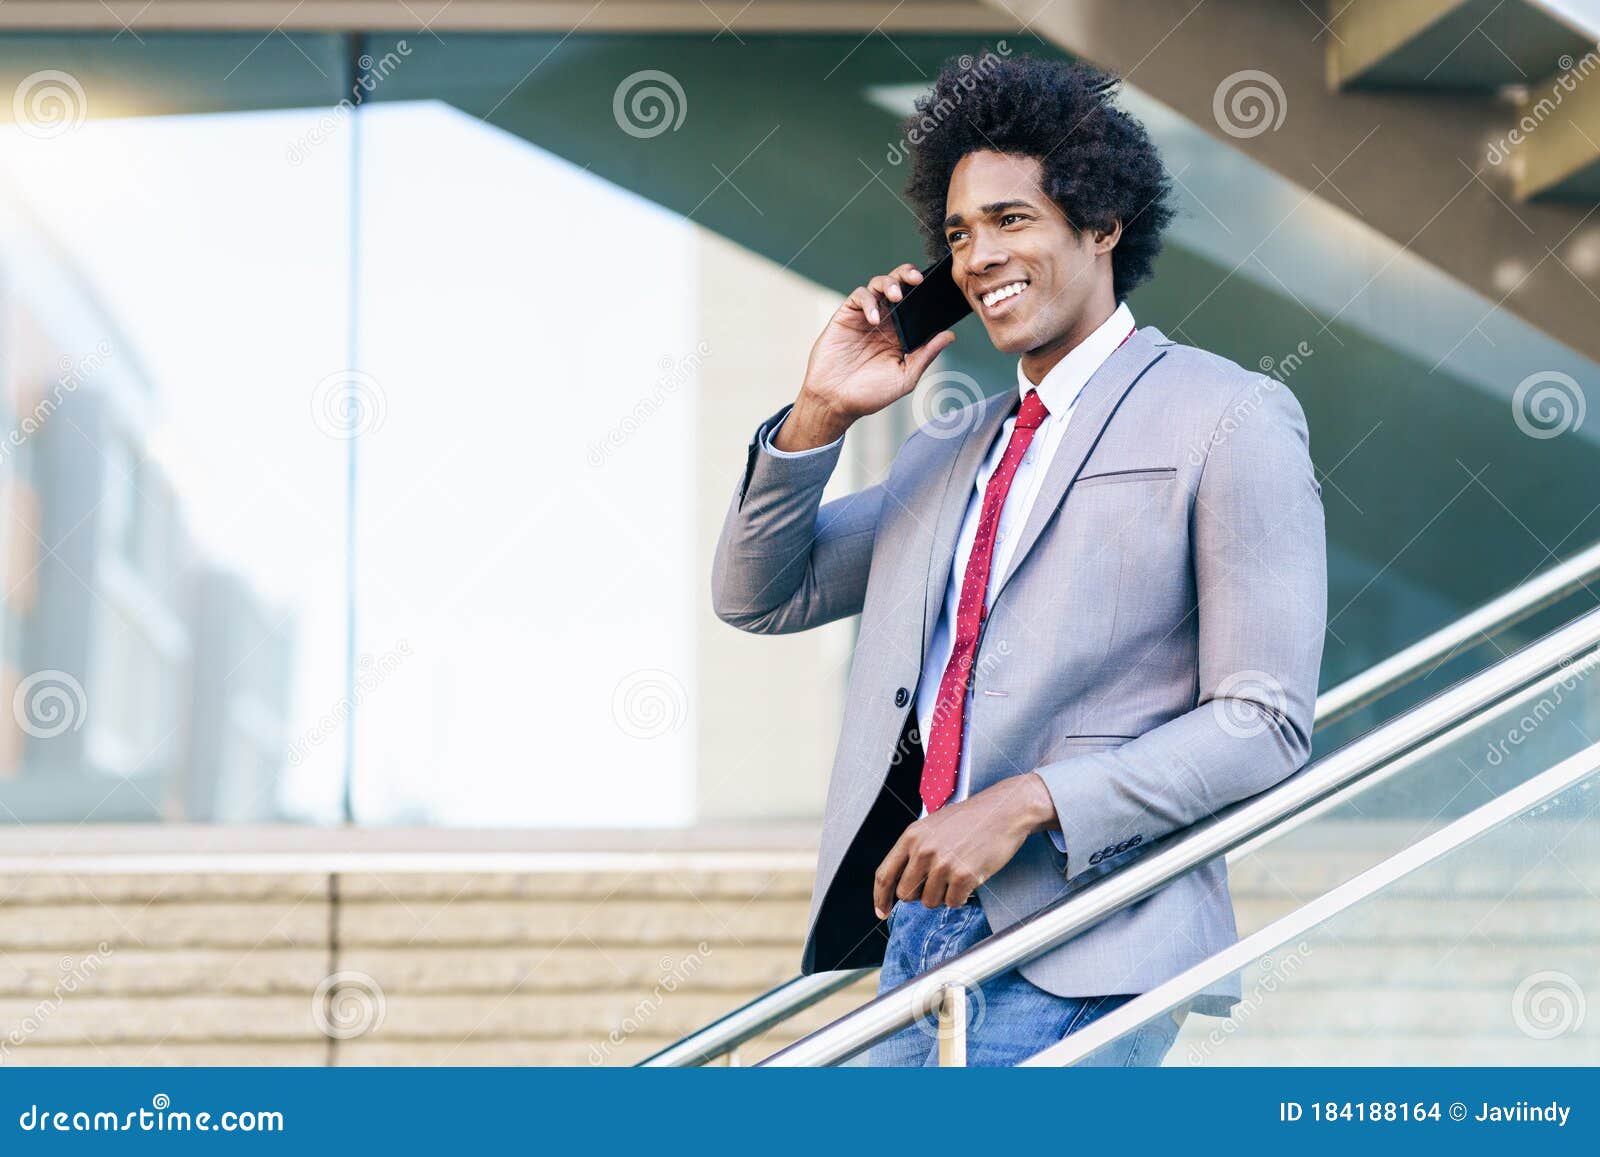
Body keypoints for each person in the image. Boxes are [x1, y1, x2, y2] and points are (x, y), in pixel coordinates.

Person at [710, 54, 1326, 1067]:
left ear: (1101, 223)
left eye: (1011, 220)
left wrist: (1035, 797)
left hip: (1090, 941)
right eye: (958, 233)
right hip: (917, 939)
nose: (978, 256)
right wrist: (819, 407)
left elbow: (1262, 721)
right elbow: (757, 592)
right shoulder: (947, 455)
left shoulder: (1228, 417)